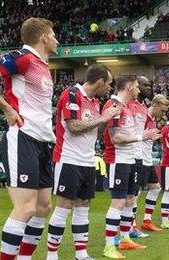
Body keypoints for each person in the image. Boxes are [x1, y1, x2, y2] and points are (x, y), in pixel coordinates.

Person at [0, 17, 58, 260]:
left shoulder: (41, 64)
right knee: (26, 208)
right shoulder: (23, 57)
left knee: (42, 208)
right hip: (24, 136)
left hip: (42, 140)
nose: (57, 39)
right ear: (44, 37)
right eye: (54, 34)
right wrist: (7, 108)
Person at [46, 65, 118, 260]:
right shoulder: (71, 94)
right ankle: (52, 255)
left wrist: (108, 119)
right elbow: (74, 126)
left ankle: (81, 254)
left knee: (83, 205)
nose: (110, 89)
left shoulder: (95, 101)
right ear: (100, 81)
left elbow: (95, 131)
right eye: (109, 84)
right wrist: (103, 117)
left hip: (87, 161)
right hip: (68, 158)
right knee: (64, 206)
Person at [101, 75, 160, 259]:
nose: (138, 90)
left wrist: (145, 135)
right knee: (118, 202)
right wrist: (142, 137)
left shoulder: (126, 107)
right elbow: (115, 138)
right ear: (127, 87)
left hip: (131, 159)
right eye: (135, 86)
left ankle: (125, 239)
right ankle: (109, 246)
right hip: (118, 160)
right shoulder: (114, 106)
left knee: (130, 199)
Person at [131, 78, 169, 236]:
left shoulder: (153, 119)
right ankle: (131, 225)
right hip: (138, 158)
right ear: (154, 105)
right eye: (162, 110)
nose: (164, 114)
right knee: (135, 193)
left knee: (155, 188)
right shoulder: (143, 115)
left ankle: (146, 221)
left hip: (148, 159)